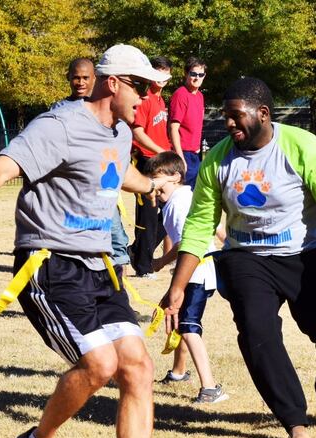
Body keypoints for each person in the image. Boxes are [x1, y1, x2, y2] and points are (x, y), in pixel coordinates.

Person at [0, 44, 172, 438]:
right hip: (52, 264)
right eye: (140, 87)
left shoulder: (120, 133)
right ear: (113, 83)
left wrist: (151, 184)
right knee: (100, 364)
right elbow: (7, 163)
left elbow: (117, 173)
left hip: (101, 267)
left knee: (138, 366)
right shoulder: (59, 124)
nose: (147, 98)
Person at [160, 77, 316, 438]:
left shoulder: (300, 145)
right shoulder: (218, 158)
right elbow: (200, 224)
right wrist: (178, 285)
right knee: (257, 335)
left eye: (237, 116)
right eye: (226, 116)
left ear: (263, 114)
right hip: (246, 259)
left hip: (306, 255)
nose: (229, 123)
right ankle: (295, 423)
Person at [146, 151, 228, 404]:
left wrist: (160, 261)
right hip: (197, 270)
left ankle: (210, 388)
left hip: (198, 271)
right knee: (179, 317)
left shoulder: (179, 203)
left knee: (189, 325)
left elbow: (185, 242)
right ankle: (179, 373)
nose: (155, 187)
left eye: (158, 180)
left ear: (176, 177)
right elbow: (216, 228)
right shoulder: (181, 199)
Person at [51, 56, 132, 270]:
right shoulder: (59, 110)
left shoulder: (105, 106)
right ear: (68, 78)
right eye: (76, 78)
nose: (80, 82)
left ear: (94, 78)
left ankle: (118, 280)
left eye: (85, 77)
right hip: (73, 189)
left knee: (114, 233)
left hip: (102, 184)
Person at [128, 56, 172, 278]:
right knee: (147, 216)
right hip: (146, 161)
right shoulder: (144, 99)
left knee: (167, 214)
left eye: (166, 73)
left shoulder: (161, 101)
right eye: (158, 72)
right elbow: (138, 132)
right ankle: (143, 266)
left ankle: (135, 252)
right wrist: (159, 150)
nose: (162, 78)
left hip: (161, 163)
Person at [169, 57, 206, 188]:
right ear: (186, 74)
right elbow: (173, 128)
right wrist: (180, 158)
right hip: (183, 153)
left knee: (192, 196)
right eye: (193, 74)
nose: (197, 78)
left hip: (195, 153)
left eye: (201, 74)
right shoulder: (180, 95)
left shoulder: (200, 96)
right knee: (181, 196)